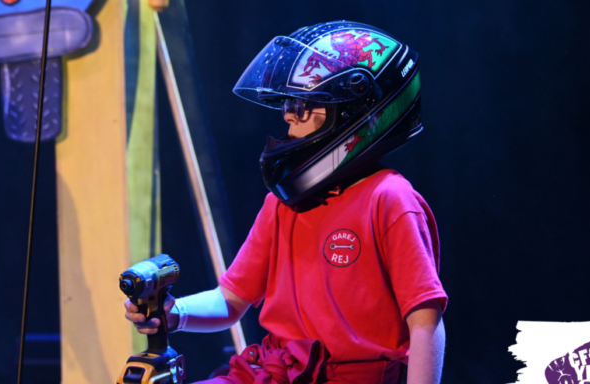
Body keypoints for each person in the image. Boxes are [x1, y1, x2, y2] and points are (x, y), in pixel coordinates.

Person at [125, 21, 447, 384]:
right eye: (290, 103)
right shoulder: (281, 205)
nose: (289, 114)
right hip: (271, 373)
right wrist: (173, 313)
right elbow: (230, 302)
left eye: (305, 104)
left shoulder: (389, 200)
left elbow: (425, 322)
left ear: (356, 112)